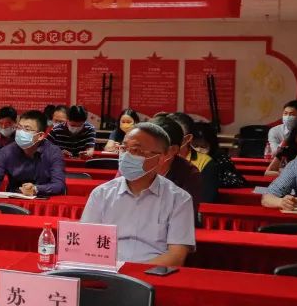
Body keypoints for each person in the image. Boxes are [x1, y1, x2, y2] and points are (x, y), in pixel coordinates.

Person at [81, 122, 195, 266]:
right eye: (124, 148)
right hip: (107, 271)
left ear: (160, 157)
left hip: (153, 273)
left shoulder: (179, 199)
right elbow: (85, 243)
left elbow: (176, 256)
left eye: (135, 150)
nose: (126, 155)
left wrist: (132, 273)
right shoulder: (101, 194)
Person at [0, 109, 67, 197]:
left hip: (44, 199)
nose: (21, 132)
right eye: (19, 128)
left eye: (27, 129)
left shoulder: (53, 152)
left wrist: (36, 189)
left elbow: (59, 185)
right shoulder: (6, 152)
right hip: (14, 199)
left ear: (40, 136)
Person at [149, 114, 203, 215]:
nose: (143, 152)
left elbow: (185, 215)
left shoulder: (189, 174)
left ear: (172, 150)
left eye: (151, 147)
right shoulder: (133, 166)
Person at [167, 112, 216, 204]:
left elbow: (205, 200)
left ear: (187, 138)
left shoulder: (205, 163)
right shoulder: (154, 158)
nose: (168, 140)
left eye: (174, 135)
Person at [191, 122, 247, 189]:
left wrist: (212, 177)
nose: (199, 150)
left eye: (203, 146)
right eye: (195, 146)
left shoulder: (220, 159)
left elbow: (238, 181)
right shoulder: (184, 158)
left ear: (212, 145)